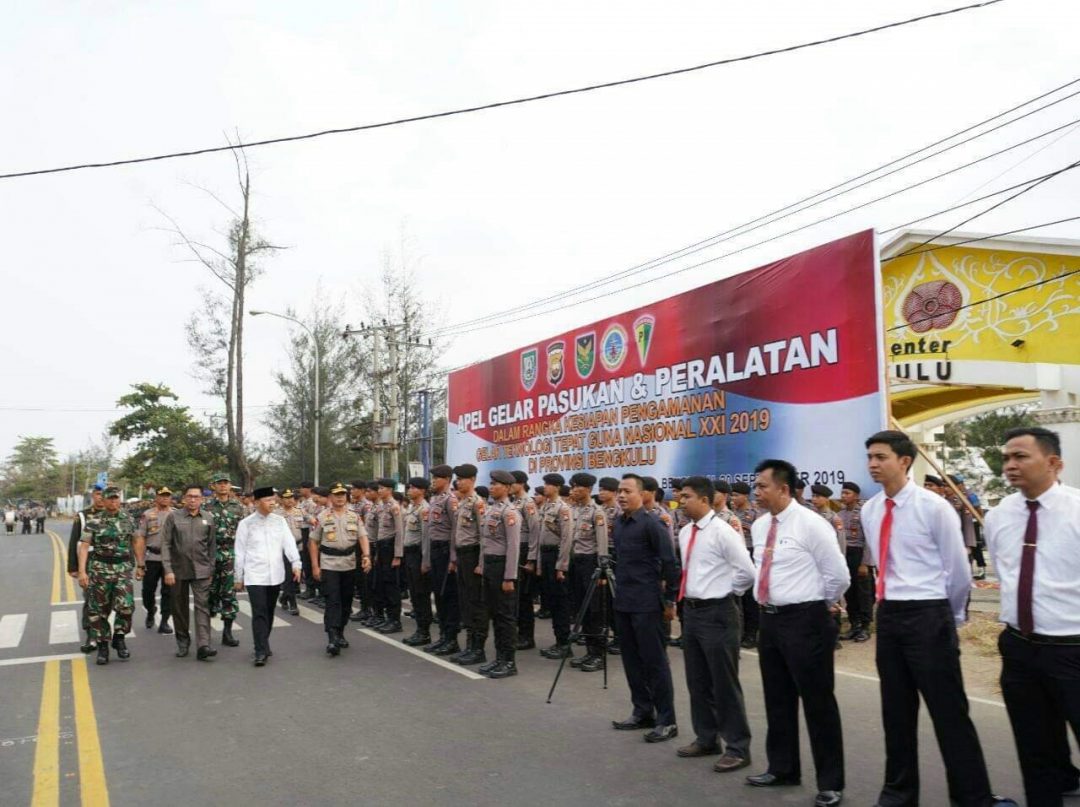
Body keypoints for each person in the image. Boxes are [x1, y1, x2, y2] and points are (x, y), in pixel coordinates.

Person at [863, 430, 1016, 807]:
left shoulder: (933, 507)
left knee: (949, 712)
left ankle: (973, 797)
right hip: (891, 614)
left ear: (904, 461)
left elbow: (958, 571)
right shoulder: (870, 509)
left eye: (881, 457)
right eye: (869, 457)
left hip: (930, 613)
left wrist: (949, 618)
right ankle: (898, 795)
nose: (872, 464)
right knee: (895, 712)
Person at [985, 427, 1080, 806]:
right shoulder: (998, 517)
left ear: (1054, 463)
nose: (1010, 465)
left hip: (1073, 648)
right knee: (1034, 748)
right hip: (1020, 648)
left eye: (1020, 456)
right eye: (1006, 457)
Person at [745, 460, 848, 806]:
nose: (756, 492)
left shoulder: (812, 525)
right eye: (756, 486)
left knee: (818, 703)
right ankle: (783, 767)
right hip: (770, 620)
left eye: (762, 486)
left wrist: (820, 604)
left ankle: (830, 782)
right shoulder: (760, 526)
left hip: (806, 620)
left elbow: (838, 575)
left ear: (784, 489)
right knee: (777, 698)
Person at [674, 476, 756, 773]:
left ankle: (738, 747)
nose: (681, 502)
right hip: (692, 612)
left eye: (686, 497)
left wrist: (725, 591)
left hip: (718, 612)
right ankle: (706, 737)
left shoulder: (723, 531)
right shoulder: (685, 533)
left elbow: (747, 571)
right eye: (680, 497)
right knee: (697, 680)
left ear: (705, 500)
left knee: (724, 683)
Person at [611, 473, 680, 744]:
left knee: (655, 663)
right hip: (624, 601)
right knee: (631, 660)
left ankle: (667, 720)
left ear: (642, 495)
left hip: (648, 604)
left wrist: (671, 600)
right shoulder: (619, 523)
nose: (622, 495)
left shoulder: (653, 525)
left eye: (627, 491)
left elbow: (670, 563)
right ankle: (642, 711)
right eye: (620, 491)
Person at [234, 487, 302, 666]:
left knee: (270, 611)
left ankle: (264, 642)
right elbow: (239, 551)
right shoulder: (246, 524)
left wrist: (296, 564)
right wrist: (238, 577)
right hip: (254, 574)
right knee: (259, 612)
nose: (273, 502)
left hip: (275, 574)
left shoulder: (279, 521)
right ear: (257, 503)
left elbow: (289, 544)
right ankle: (259, 650)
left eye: (273, 499)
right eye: (268, 500)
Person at [77, 486, 145, 666]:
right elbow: (84, 546)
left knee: (126, 607)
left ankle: (120, 637)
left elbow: (137, 541)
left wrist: (141, 564)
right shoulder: (94, 521)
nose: (113, 501)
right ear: (104, 500)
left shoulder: (129, 519)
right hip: (99, 569)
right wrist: (82, 572)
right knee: (99, 610)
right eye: (110, 499)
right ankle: (103, 646)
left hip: (122, 569)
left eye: (116, 498)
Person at [311, 483, 371, 656]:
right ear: (330, 497)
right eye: (336, 494)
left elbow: (363, 537)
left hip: (349, 563)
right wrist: (315, 566)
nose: (340, 497)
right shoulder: (322, 517)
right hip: (329, 563)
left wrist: (366, 556)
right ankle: (332, 637)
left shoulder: (354, 516)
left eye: (343, 494)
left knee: (346, 601)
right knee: (332, 600)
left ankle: (340, 632)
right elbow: (313, 542)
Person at [162, 485, 218, 660]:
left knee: (203, 607)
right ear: (184, 498)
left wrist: (211, 567)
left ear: (202, 499)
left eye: (196, 497)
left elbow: (211, 546)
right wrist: (168, 569)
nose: (193, 500)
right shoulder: (174, 517)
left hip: (202, 570)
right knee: (179, 608)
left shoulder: (208, 518)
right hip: (178, 570)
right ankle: (183, 641)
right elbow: (166, 544)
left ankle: (204, 645)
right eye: (190, 496)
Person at [475, 470, 521, 678]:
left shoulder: (509, 512)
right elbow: (486, 542)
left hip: (503, 566)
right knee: (493, 613)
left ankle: (509, 662)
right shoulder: (491, 509)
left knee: (505, 616)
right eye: (491, 484)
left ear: (508, 488)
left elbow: (513, 547)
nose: (492, 487)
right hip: (491, 566)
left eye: (496, 484)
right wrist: (482, 566)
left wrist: (509, 577)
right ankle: (499, 658)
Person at [563, 472, 610, 673]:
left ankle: (598, 655)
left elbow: (602, 544)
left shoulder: (596, 512)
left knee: (594, 610)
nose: (573, 490)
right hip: (576, 562)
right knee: (581, 608)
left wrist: (601, 572)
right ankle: (589, 652)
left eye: (577, 487)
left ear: (588, 489)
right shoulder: (573, 509)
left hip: (591, 564)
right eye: (572, 487)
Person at [449, 464, 487, 665]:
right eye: (457, 479)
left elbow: (484, 536)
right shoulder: (462, 503)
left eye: (462, 479)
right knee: (465, 601)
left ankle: (478, 649)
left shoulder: (477, 503)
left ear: (472, 479)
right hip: (462, 555)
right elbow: (456, 533)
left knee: (476, 602)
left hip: (473, 555)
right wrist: (454, 558)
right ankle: (470, 645)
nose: (458, 482)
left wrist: (481, 563)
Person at [421, 465, 461, 656]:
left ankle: (451, 639)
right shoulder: (435, 499)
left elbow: (456, 530)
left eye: (436, 478)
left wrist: (454, 557)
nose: (433, 481)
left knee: (449, 596)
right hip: (436, 551)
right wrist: (427, 558)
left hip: (446, 551)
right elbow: (430, 531)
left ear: (446, 479)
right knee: (438, 594)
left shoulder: (451, 500)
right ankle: (443, 636)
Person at [534, 473, 574, 660]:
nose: (545, 488)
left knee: (561, 602)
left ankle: (564, 643)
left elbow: (566, 538)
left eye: (548, 485)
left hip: (557, 555)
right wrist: (541, 563)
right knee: (551, 600)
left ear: (557, 487)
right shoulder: (546, 507)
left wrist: (561, 565)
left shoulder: (562, 508)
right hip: (546, 555)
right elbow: (541, 537)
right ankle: (558, 640)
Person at [205, 473, 245, 648]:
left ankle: (227, 632)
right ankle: (205, 633)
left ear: (230, 486)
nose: (223, 486)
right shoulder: (206, 507)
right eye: (219, 483)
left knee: (229, 594)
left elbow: (244, 532)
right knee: (209, 592)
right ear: (213, 486)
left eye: (226, 483)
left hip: (230, 552)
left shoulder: (239, 507)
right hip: (210, 553)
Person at [69, 485, 105, 653]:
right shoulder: (83, 516)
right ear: (93, 495)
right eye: (98, 494)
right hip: (89, 561)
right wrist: (74, 567)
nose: (101, 497)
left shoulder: (116, 515)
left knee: (108, 600)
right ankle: (91, 634)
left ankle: (104, 633)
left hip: (111, 563)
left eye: (104, 495)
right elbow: (74, 541)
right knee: (91, 599)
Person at [509, 471, 540, 651]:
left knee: (524, 597)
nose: (510, 487)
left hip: (524, 550)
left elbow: (535, 531)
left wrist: (531, 558)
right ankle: (519, 633)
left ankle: (527, 637)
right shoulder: (515, 503)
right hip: (516, 549)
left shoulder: (528, 504)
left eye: (513, 484)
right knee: (515, 597)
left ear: (520, 484)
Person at [837, 482, 872, 643]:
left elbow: (869, 540)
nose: (843, 496)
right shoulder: (840, 514)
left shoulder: (864, 513)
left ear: (856, 496)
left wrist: (865, 563)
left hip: (859, 555)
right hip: (845, 555)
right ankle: (854, 625)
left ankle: (865, 627)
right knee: (849, 592)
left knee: (863, 593)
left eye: (847, 493)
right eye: (842, 493)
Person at [138, 487, 175, 634]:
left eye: (167, 496)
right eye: (162, 496)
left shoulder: (176, 514)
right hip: (152, 557)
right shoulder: (147, 515)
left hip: (170, 559)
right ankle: (150, 609)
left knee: (169, 592)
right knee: (148, 590)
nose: (165, 498)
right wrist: (140, 562)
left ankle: (165, 620)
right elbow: (141, 538)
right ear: (156, 498)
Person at [401, 477, 433, 647]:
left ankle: (424, 631)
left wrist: (425, 561)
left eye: (413, 488)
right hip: (410, 554)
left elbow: (426, 537)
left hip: (419, 554)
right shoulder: (412, 508)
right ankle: (420, 629)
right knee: (414, 593)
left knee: (421, 594)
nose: (409, 490)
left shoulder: (424, 510)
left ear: (422, 490)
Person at [730, 481, 760, 649]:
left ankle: (751, 634)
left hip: (751, 553)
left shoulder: (755, 514)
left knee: (750, 598)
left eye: (736, 495)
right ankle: (740, 632)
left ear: (745, 496)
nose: (733, 498)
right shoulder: (732, 514)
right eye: (732, 495)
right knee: (738, 598)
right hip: (737, 555)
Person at [371, 478, 404, 634]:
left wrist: (397, 555)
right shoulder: (381, 507)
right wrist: (377, 553)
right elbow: (379, 532)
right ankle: (386, 618)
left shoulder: (394, 507)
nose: (379, 491)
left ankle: (395, 620)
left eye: (382, 488)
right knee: (382, 584)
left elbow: (399, 532)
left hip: (391, 548)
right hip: (382, 548)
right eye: (379, 488)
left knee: (391, 586)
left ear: (390, 490)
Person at [275, 489, 306, 615]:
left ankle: (284, 597)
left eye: (291, 497)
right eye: (286, 498)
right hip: (284, 549)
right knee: (289, 575)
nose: (289, 500)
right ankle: (292, 603)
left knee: (297, 575)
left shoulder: (300, 511)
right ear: (281, 499)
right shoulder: (276, 514)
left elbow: (312, 520)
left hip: (299, 547)